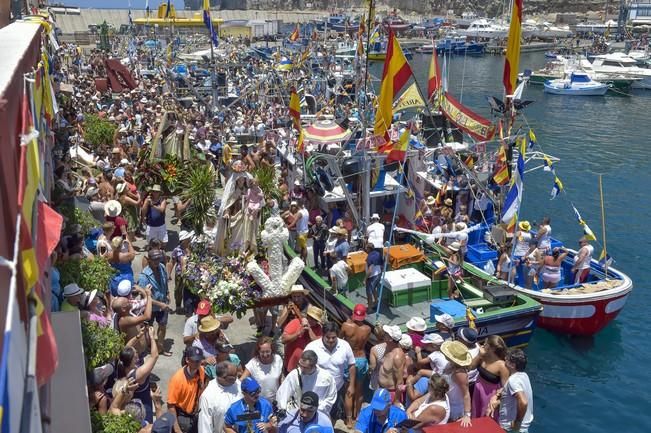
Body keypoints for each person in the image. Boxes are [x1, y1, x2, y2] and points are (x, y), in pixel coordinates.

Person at [305, 321, 356, 424]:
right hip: (317, 389)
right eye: (328, 337)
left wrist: (351, 385)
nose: (331, 340)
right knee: (314, 414)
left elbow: (352, 365)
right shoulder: (312, 347)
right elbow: (302, 364)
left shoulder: (345, 345)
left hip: (337, 389)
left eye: (334, 337)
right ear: (323, 335)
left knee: (333, 415)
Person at [116, 330, 159, 423]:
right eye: (136, 356)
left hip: (130, 404)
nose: (138, 357)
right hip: (143, 405)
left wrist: (138, 336)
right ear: (132, 360)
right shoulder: (138, 375)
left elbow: (126, 348)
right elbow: (154, 356)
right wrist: (152, 337)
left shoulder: (121, 364)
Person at [487, 349, 533, 433]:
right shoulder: (524, 376)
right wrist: (497, 396)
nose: (505, 359)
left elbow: (523, 402)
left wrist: (517, 422)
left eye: (507, 359)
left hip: (511, 428)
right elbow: (507, 389)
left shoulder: (513, 380)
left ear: (512, 365)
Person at [340, 304, 372, 424]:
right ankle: (357, 416)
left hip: (351, 359)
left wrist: (349, 320)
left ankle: (348, 420)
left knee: (349, 390)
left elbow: (339, 339)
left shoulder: (346, 326)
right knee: (359, 390)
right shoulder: (368, 329)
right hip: (362, 359)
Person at [138, 249, 173, 355]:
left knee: (162, 326)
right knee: (148, 327)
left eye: (159, 259)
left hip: (163, 303)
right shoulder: (144, 276)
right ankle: (149, 346)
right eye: (154, 260)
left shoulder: (162, 268)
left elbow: (165, 281)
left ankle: (160, 347)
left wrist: (167, 293)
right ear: (149, 260)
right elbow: (144, 297)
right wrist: (160, 304)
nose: (157, 262)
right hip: (151, 307)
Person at [167, 346, 207, 433]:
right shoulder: (177, 379)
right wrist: (177, 430)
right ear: (187, 360)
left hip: (195, 415)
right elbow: (171, 406)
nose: (197, 363)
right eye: (195, 360)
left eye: (199, 360)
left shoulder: (201, 371)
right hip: (182, 417)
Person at [471, 335, 509, 419]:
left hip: (490, 394)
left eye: (486, 343)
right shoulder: (483, 357)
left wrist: (497, 400)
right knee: (475, 412)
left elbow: (506, 387)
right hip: (477, 388)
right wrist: (479, 355)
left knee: (486, 415)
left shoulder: (502, 365)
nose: (483, 345)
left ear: (492, 348)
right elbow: (471, 367)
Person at [198, 361, 242, 433]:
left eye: (236, 375)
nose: (236, 378)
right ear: (221, 377)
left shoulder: (238, 385)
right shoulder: (208, 396)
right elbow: (204, 426)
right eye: (232, 377)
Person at [240, 336, 284, 403]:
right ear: (258, 351)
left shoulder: (278, 359)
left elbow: (280, 380)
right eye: (262, 352)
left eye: (267, 351)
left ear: (272, 350)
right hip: (259, 403)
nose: (265, 354)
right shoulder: (253, 363)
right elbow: (242, 380)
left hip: (275, 401)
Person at [281, 305, 324, 372]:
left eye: (315, 319)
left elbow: (319, 344)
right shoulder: (296, 322)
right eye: (311, 318)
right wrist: (298, 333)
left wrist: (309, 330)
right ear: (307, 316)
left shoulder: (318, 328)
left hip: (308, 369)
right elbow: (283, 340)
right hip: (291, 365)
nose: (312, 321)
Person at [370, 325, 406, 404]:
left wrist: (396, 400)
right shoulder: (387, 349)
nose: (384, 334)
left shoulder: (397, 356)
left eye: (386, 333)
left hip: (390, 394)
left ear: (390, 338)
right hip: (381, 390)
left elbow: (400, 382)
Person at [440, 341, 472, 427]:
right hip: (447, 402)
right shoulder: (450, 365)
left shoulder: (460, 374)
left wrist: (467, 415)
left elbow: (466, 394)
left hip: (454, 408)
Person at [171, 230, 194, 315]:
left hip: (190, 273)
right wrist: (168, 274)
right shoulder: (176, 250)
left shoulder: (192, 248)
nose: (189, 240)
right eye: (187, 238)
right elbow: (172, 262)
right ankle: (178, 306)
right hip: (179, 273)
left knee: (188, 290)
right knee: (178, 289)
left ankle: (188, 306)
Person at [363, 243, 383, 310]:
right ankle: (376, 302)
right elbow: (381, 264)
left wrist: (365, 279)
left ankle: (370, 309)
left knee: (369, 293)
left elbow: (370, 270)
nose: (365, 249)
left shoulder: (370, 257)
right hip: (379, 274)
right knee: (374, 288)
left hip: (372, 277)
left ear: (369, 248)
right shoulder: (378, 253)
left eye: (366, 248)